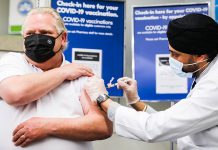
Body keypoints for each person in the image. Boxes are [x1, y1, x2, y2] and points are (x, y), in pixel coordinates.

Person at [84, 13, 218, 149]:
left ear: (201, 56)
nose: (170, 58)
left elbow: (154, 129)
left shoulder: (214, 86)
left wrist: (102, 99)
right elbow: (174, 127)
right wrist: (135, 101)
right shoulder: (206, 73)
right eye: (170, 52)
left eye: (176, 54)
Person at [0, 7, 112, 150]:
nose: (37, 38)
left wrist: (46, 126)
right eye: (30, 33)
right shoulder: (12, 62)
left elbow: (102, 126)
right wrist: (63, 73)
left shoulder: (81, 74)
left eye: (45, 33)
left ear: (63, 38)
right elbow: (15, 93)